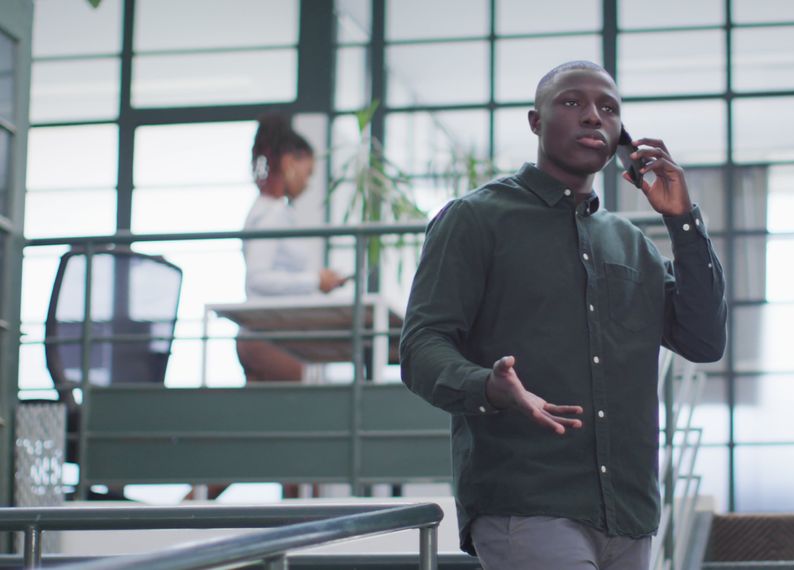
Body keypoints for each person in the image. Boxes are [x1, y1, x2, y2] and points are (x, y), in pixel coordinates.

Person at [400, 61, 728, 570]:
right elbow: (422, 346)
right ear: (536, 122)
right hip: (528, 503)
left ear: (622, 135)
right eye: (573, 103)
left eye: (608, 108)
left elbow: (705, 340)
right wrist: (488, 385)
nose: (593, 117)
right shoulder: (476, 219)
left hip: (629, 514)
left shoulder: (632, 244)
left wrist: (683, 221)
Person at [237, 113, 348, 384]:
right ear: (289, 163)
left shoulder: (269, 211)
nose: (307, 183)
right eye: (307, 173)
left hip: (265, 334)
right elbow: (258, 278)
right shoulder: (271, 215)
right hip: (268, 337)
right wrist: (314, 280)